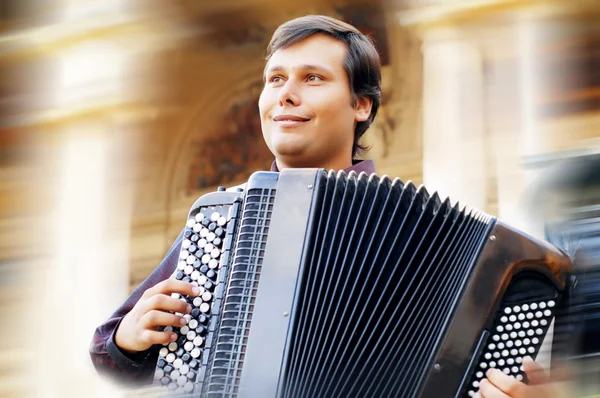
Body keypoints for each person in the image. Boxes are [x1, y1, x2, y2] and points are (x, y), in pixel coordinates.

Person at [89, 15, 568, 397]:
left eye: (312, 78)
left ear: (361, 105)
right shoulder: (223, 224)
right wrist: (127, 341)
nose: (285, 95)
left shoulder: (428, 232)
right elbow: (110, 357)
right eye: (274, 79)